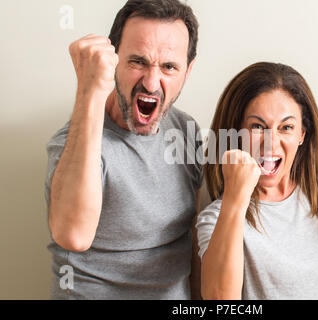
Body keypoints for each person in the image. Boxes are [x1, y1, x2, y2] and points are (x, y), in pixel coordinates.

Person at [45, 0, 202, 299]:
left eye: (169, 67)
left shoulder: (186, 131)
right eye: (137, 62)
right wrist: (89, 90)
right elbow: (72, 235)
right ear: (113, 60)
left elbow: (191, 240)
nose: (151, 82)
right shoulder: (74, 142)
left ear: (188, 71)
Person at [196, 62, 318, 300]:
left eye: (286, 127)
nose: (271, 142)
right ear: (235, 134)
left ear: (302, 135)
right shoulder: (218, 219)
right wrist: (236, 197)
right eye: (258, 126)